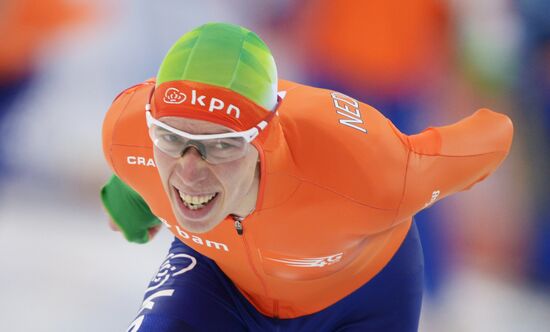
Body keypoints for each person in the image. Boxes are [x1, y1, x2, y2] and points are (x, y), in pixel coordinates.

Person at [101, 23, 513, 331]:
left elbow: (481, 142)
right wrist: (133, 201)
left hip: (358, 300)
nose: (190, 172)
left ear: (262, 140)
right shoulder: (128, 132)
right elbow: (140, 162)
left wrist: (500, 116)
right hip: (219, 281)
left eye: (223, 145)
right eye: (171, 139)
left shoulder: (369, 172)